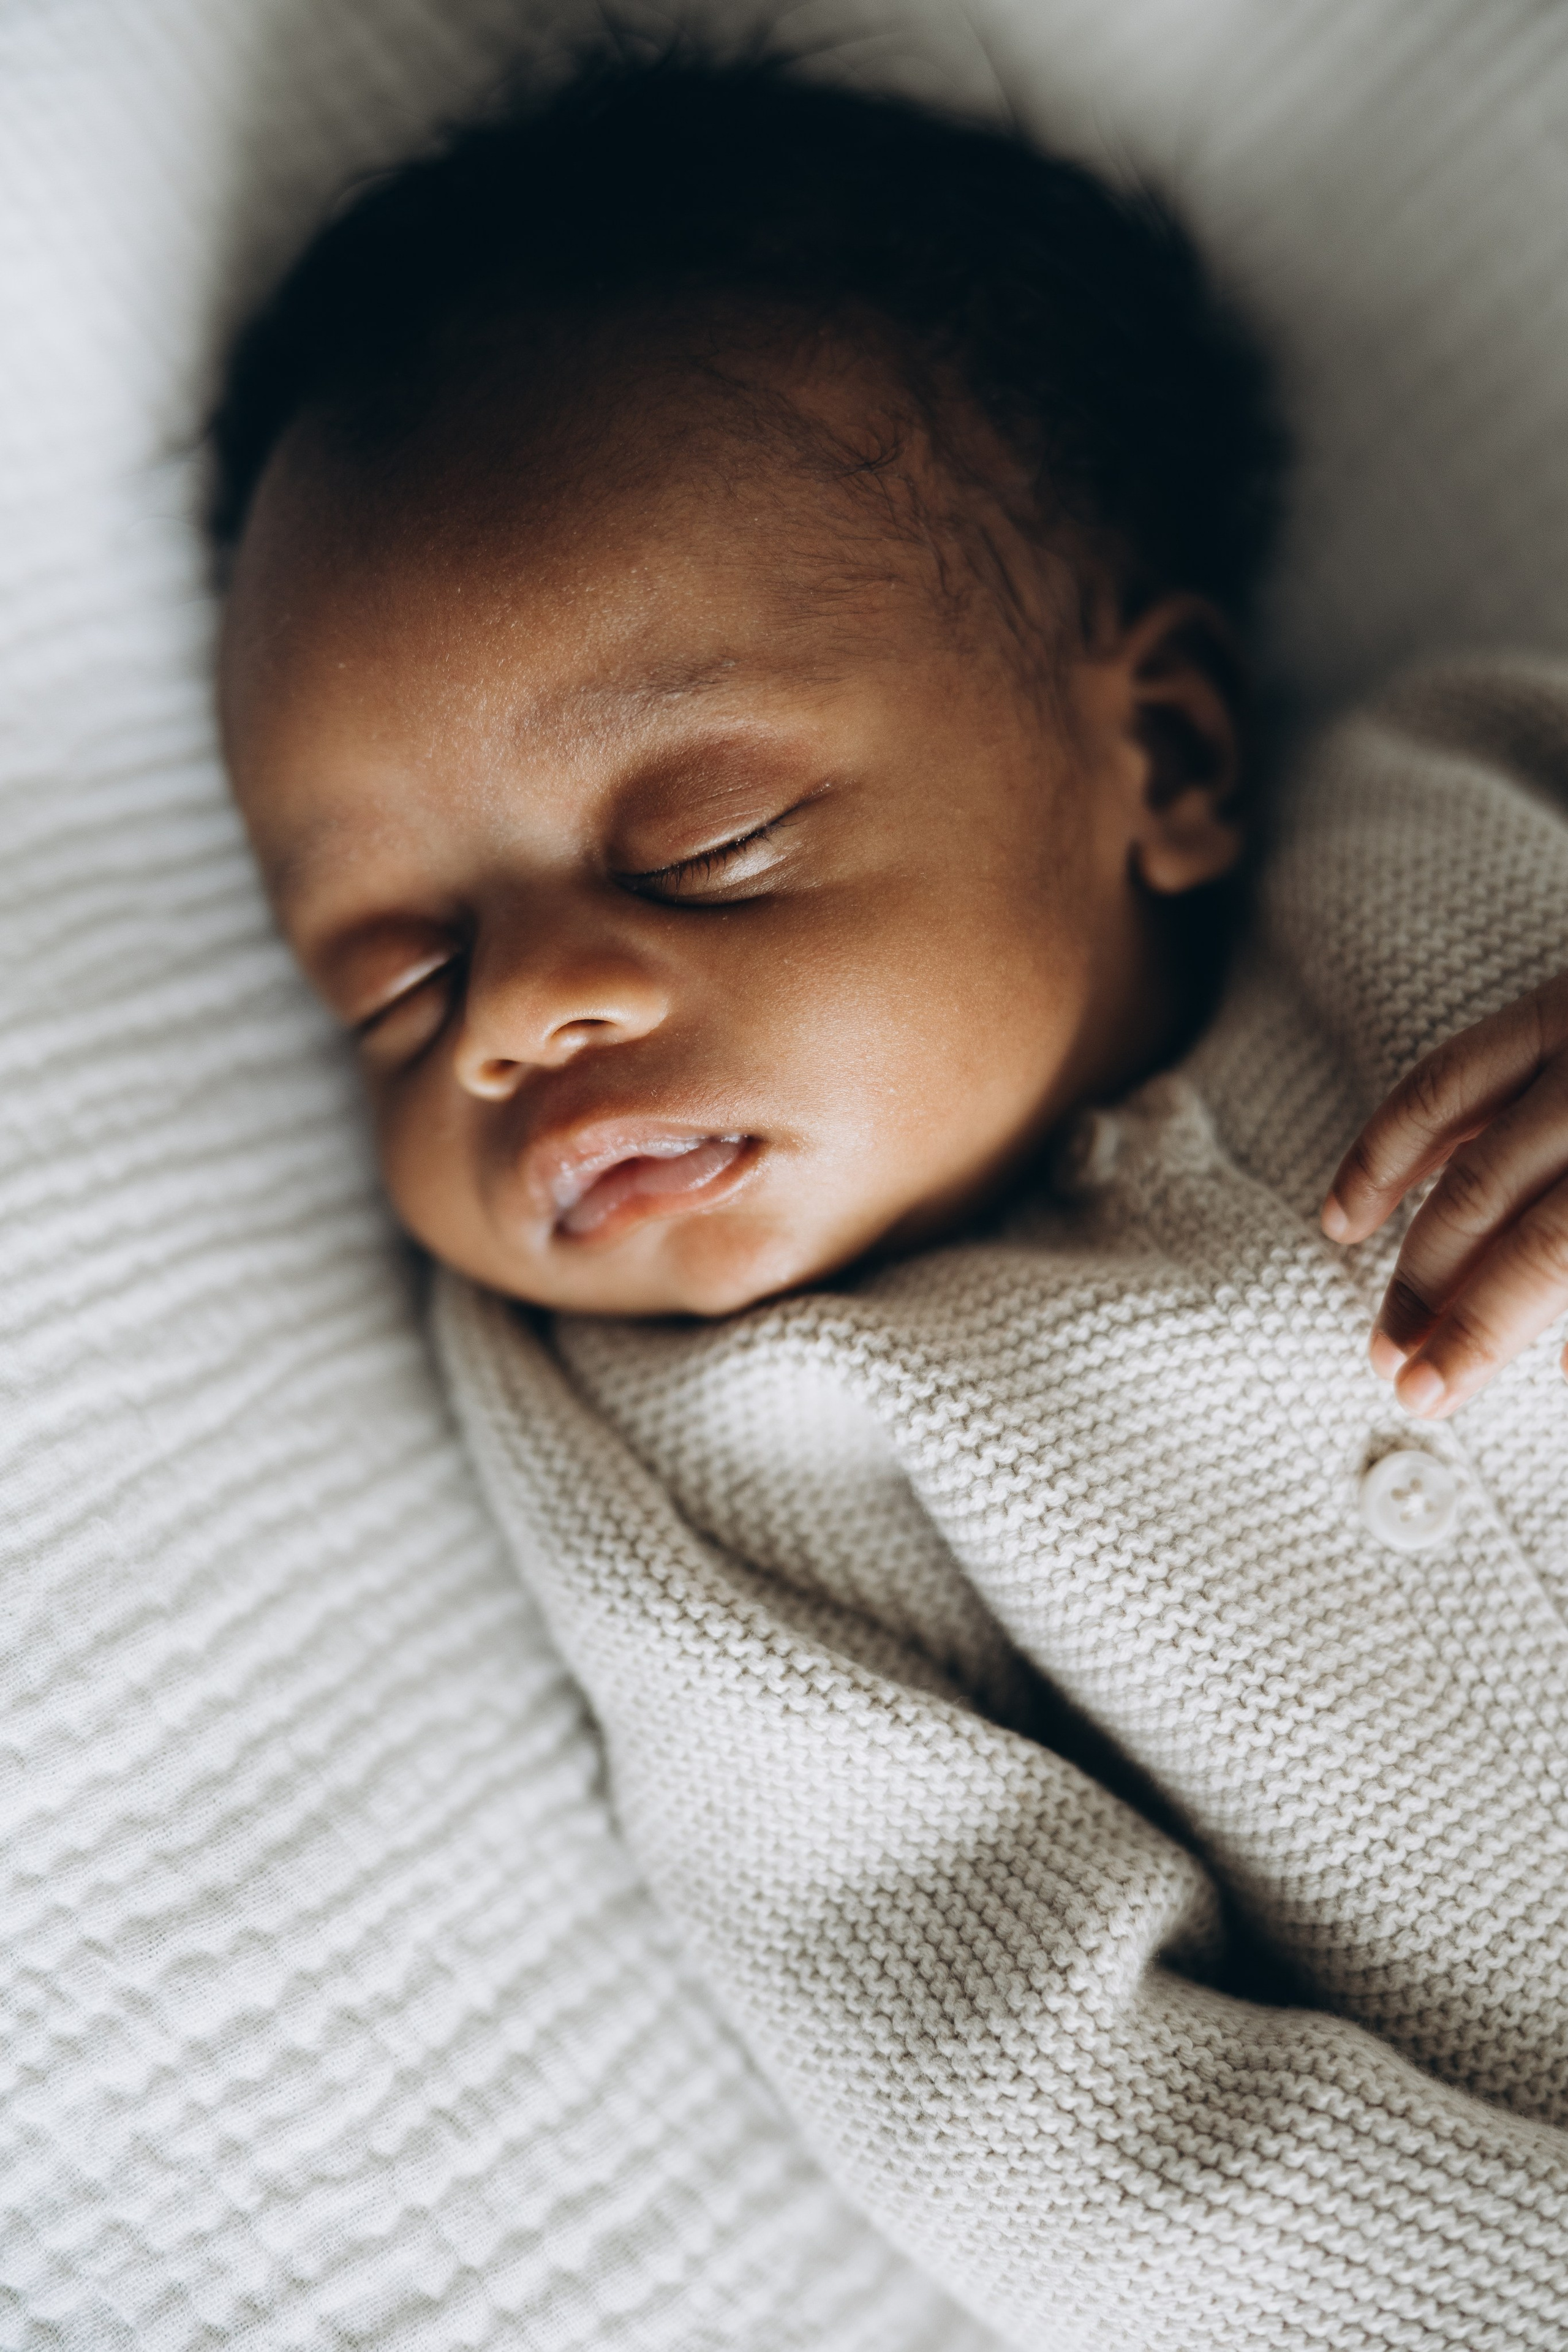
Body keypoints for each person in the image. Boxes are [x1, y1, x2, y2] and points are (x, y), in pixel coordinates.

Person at [213, 35, 1568, 2345]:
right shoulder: (714, 1448)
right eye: (400, 981)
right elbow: (1041, 2112)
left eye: (700, 849)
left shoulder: (1467, 811)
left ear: (1162, 755)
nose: (525, 1013)